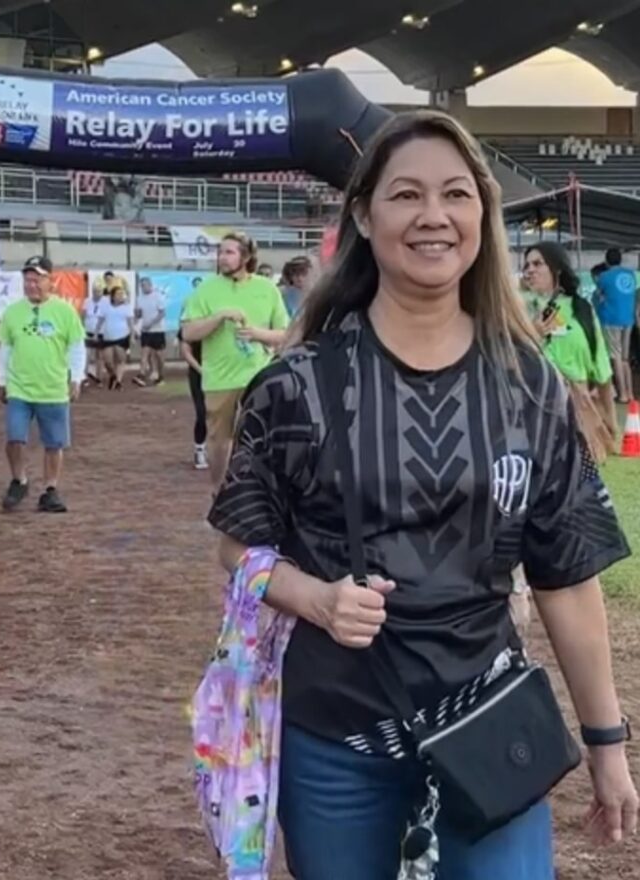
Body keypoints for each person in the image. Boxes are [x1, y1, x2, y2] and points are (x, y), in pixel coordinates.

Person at [207, 110, 637, 880]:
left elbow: (566, 575)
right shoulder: (297, 385)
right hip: (336, 743)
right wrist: (316, 599)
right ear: (366, 218)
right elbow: (239, 541)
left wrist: (608, 744)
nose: (433, 216)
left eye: (456, 195)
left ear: (482, 215)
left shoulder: (528, 385)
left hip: (491, 731)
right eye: (405, 195)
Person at [180, 232, 289, 492]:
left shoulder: (267, 289)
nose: (222, 258)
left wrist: (256, 334)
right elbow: (188, 333)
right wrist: (218, 317)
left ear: (247, 256)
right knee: (220, 440)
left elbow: (285, 335)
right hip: (220, 379)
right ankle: (219, 491)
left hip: (259, 376)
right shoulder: (206, 289)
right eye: (220, 252)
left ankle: (262, 492)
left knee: (265, 437)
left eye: (229, 252)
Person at [0, 256, 85, 513]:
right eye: (27, 280)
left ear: (50, 281)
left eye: (36, 279)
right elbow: (6, 347)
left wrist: (76, 377)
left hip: (53, 388)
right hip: (19, 388)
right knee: (14, 437)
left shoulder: (65, 311)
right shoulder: (13, 312)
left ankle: (50, 489)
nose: (31, 284)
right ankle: (19, 479)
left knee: (54, 443)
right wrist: (2, 378)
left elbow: (76, 346)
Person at [522, 242, 618, 461]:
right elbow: (508, 356)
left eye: (537, 264)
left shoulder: (581, 308)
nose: (530, 270)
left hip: (578, 409)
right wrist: (533, 333)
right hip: (534, 407)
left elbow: (600, 363)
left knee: (581, 482)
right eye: (527, 265)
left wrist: (610, 418)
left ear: (556, 269)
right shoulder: (519, 307)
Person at [594, 248, 636, 403]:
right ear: (620, 260)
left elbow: (598, 295)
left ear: (606, 261)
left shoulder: (604, 276)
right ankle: (631, 393)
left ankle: (623, 394)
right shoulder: (631, 275)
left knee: (616, 356)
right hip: (628, 319)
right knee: (625, 358)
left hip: (611, 319)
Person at [179, 328, 208, 470]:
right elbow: (185, 351)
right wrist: (202, 370)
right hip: (198, 374)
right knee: (202, 412)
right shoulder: (192, 324)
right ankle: (200, 449)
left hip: (224, 372)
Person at [96, 285, 134, 391]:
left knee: (121, 360)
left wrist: (132, 335)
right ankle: (113, 375)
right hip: (108, 337)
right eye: (118, 294)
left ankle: (118, 381)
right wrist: (96, 332)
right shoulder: (106, 306)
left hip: (122, 336)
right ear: (112, 296)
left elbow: (130, 322)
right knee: (108, 361)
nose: (121, 296)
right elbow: (100, 320)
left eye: (122, 294)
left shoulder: (127, 307)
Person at [133, 276, 167, 387]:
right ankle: (141, 375)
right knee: (144, 354)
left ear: (150, 285)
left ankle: (161, 375)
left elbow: (162, 313)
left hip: (157, 330)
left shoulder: (158, 297)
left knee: (159, 355)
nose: (143, 287)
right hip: (145, 331)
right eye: (141, 286)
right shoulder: (139, 298)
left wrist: (151, 323)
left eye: (145, 285)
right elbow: (139, 314)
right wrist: (137, 324)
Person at [280, 256, 312, 321]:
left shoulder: (318, 293)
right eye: (295, 274)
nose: (300, 278)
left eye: (304, 274)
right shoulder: (282, 293)